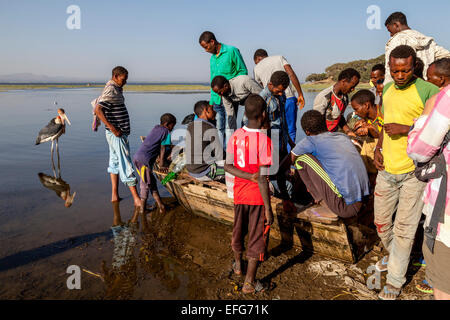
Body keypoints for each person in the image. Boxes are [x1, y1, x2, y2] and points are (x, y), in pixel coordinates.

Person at [372, 45, 440, 300]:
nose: (400, 75)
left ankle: (395, 281)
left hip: (415, 171)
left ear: (414, 67)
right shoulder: (387, 88)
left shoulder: (428, 91)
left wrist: (408, 128)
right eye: (395, 70)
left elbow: (439, 129)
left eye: (405, 70)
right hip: (387, 169)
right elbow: (384, 123)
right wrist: (379, 147)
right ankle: (400, 257)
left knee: (404, 228)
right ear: (390, 67)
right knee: (381, 224)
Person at [224, 94, 273, 294]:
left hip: (239, 195)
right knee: (255, 238)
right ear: (263, 115)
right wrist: (269, 209)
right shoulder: (264, 140)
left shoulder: (235, 135)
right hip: (256, 199)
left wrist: (245, 175)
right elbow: (262, 178)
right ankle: (249, 283)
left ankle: (237, 266)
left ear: (245, 114)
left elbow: (227, 165)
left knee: (238, 231)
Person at [407, 85, 450, 300]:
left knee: (444, 287)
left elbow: (418, 150)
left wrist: (426, 112)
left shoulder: (446, 97)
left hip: (446, 219)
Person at [290, 110, 370, 219]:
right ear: (325, 125)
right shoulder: (342, 136)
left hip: (345, 207)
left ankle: (322, 201)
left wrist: (280, 172)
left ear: (307, 132)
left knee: (302, 159)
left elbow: (292, 158)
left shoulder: (311, 140)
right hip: (364, 199)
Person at [94, 66, 142, 208]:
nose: (125, 81)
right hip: (117, 134)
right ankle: (137, 200)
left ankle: (114, 195)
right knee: (126, 164)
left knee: (114, 163)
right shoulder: (111, 89)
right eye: (123, 79)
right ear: (115, 76)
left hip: (114, 133)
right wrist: (114, 128)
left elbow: (97, 103)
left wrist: (100, 123)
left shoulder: (113, 87)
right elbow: (98, 109)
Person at [199, 31, 248, 147]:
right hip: (216, 99)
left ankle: (230, 154)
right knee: (219, 127)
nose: (205, 50)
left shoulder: (231, 51)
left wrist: (230, 86)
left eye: (206, 47)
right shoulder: (212, 59)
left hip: (229, 96)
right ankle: (221, 154)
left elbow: (243, 72)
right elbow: (212, 80)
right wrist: (211, 101)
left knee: (229, 126)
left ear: (212, 41)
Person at [253, 49, 305, 151]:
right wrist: (300, 93)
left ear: (258, 59)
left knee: (280, 125)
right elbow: (291, 73)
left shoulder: (256, 68)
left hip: (277, 99)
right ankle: (289, 156)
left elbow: (260, 86)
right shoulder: (279, 58)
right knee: (289, 128)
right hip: (289, 97)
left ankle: (285, 155)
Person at [384, 12, 450, 83]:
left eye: (389, 30)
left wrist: (387, 88)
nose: (390, 34)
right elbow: (447, 56)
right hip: (426, 85)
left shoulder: (396, 40)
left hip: (406, 87)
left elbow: (390, 70)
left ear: (396, 25)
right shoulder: (426, 40)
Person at [133, 113, 176, 214]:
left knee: (151, 182)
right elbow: (163, 148)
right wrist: (162, 164)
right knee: (145, 185)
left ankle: (161, 206)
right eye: (172, 126)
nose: (172, 129)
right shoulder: (166, 131)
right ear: (167, 124)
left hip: (138, 158)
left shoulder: (156, 127)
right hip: (144, 161)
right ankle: (142, 210)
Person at [185, 101, 225, 182]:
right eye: (212, 109)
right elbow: (220, 154)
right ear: (206, 111)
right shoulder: (209, 127)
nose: (215, 112)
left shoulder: (190, 125)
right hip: (204, 172)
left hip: (191, 170)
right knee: (235, 168)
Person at [313, 68, 360, 134]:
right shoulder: (324, 97)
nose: (353, 89)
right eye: (352, 86)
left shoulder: (345, 97)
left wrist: (348, 131)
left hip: (334, 134)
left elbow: (339, 117)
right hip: (322, 136)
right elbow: (316, 123)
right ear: (344, 82)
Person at [350, 89, 383, 185]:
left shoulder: (383, 113)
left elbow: (384, 135)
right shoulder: (364, 118)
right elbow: (353, 123)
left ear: (366, 105)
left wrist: (371, 129)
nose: (355, 113)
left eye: (356, 109)